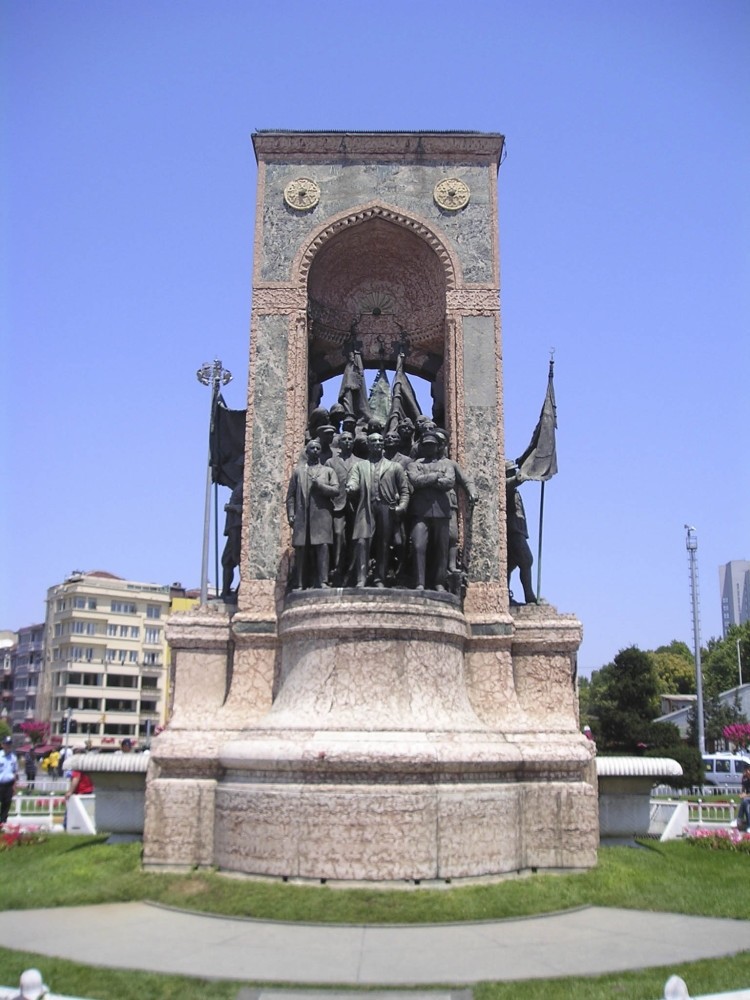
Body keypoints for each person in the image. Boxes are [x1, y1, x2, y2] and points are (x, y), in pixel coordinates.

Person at [346, 432, 410, 587]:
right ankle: (361, 578)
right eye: (373, 440)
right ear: (368, 444)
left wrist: (401, 507)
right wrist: (352, 487)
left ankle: (379, 578)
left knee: (383, 544)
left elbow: (404, 491)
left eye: (380, 440)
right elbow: (353, 480)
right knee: (362, 542)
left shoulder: (395, 467)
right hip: (365, 506)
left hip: (386, 508)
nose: (377, 443)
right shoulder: (359, 466)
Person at [286, 439, 339, 590]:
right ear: (307, 452)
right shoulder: (298, 472)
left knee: (322, 547)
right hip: (302, 516)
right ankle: (299, 583)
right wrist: (291, 514)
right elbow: (290, 496)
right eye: (312, 448)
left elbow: (336, 490)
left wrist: (320, 486)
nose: (315, 450)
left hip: (322, 516)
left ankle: (323, 581)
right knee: (301, 550)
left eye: (318, 448)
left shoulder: (328, 471)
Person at [407, 431, 455, 591]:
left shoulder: (447, 464)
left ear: (437, 447)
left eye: (432, 445)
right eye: (426, 445)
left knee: (441, 550)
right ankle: (419, 582)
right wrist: (435, 477)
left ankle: (439, 582)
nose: (429, 448)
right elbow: (415, 481)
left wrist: (426, 479)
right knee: (418, 546)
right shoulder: (414, 464)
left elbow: (449, 482)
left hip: (441, 512)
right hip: (421, 512)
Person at [326, 429, 357, 584]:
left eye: (349, 439)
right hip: (337, 504)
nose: (346, 441)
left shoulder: (360, 462)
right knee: (338, 535)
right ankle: (337, 569)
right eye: (343, 439)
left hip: (354, 505)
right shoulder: (331, 462)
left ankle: (351, 572)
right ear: (339, 442)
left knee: (354, 538)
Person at [505, 460, 537, 605]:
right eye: (510, 472)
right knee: (526, 560)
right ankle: (529, 596)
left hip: (518, 530)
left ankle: (506, 595)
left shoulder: (514, 491)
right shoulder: (505, 486)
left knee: (510, 565)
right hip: (512, 531)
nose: (513, 473)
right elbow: (516, 479)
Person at [220, 477, 243, 599]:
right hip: (233, 527)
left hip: (237, 526)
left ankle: (241, 589)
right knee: (227, 561)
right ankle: (226, 592)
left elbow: (245, 507)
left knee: (238, 559)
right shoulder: (239, 484)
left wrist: (230, 507)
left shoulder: (246, 484)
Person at [0, 736, 18, 826]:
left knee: (6, 804)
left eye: (10, 744)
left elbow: (15, 772)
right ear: (2, 745)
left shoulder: (13, 758)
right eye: (6, 744)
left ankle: (2, 823)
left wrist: (14, 786)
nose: (8, 746)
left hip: (8, 784)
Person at [738, 765, 750, 832]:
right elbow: (743, 789)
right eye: (746, 770)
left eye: (749, 770)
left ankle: (739, 818)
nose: (748, 772)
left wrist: (745, 795)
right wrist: (741, 794)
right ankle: (749, 826)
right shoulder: (744, 778)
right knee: (748, 808)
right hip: (747, 800)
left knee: (745, 801)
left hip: (747, 798)